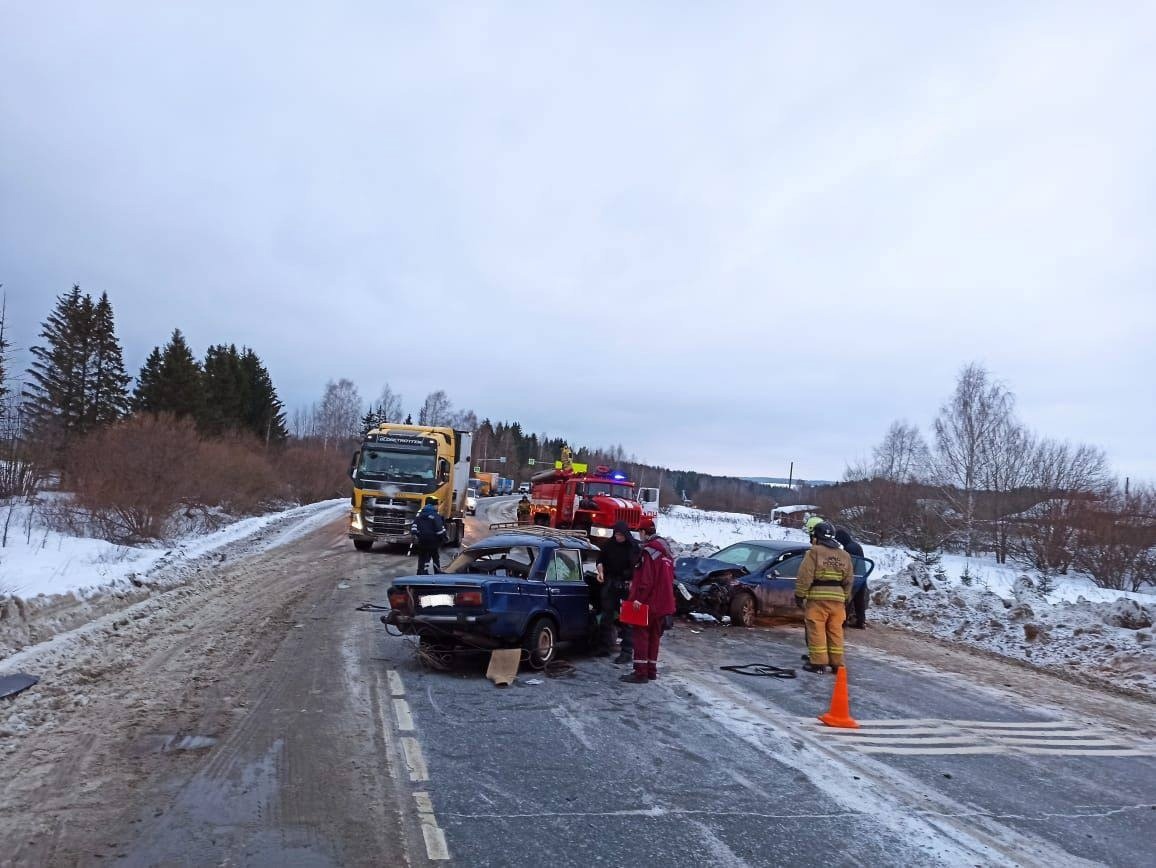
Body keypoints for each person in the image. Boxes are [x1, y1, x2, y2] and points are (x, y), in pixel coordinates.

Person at [795, 520, 855, 674]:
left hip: (818, 598)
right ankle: (837, 663)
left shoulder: (813, 552)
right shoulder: (844, 555)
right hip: (838, 599)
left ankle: (818, 663)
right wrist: (846, 597)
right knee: (836, 630)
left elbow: (805, 576)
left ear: (816, 537)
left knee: (817, 629)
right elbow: (849, 579)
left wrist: (800, 595)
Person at [620, 523, 676, 684]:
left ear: (643, 532)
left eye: (640, 532)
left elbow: (646, 579)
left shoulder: (648, 552)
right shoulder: (667, 554)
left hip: (649, 603)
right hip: (664, 603)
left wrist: (638, 598)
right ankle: (651, 670)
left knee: (641, 636)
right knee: (654, 637)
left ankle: (640, 673)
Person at [596, 521, 639, 663]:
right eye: (616, 534)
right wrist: (600, 572)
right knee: (606, 616)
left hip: (627, 585)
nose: (618, 537)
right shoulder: (609, 544)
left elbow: (638, 567)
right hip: (611, 582)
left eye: (620, 535)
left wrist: (633, 582)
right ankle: (604, 646)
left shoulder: (633, 547)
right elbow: (600, 560)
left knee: (628, 619)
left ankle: (626, 651)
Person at [835, 526, 867, 628]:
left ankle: (843, 622)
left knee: (848, 600)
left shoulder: (849, 548)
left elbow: (848, 564)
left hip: (853, 576)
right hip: (861, 575)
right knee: (859, 601)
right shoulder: (856, 545)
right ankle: (860, 622)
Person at [410, 496, 448, 574]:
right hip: (433, 541)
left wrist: (415, 534)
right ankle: (435, 572)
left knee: (422, 557)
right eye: (437, 505)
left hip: (422, 540)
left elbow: (414, 525)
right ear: (434, 505)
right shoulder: (435, 515)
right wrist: (443, 538)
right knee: (434, 557)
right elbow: (439, 530)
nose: (438, 507)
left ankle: (420, 572)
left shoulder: (420, 513)